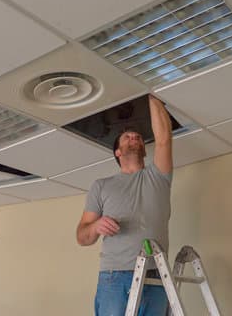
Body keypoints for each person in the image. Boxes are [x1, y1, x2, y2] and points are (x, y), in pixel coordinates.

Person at [76, 94, 173, 316]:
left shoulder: (159, 176)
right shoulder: (101, 186)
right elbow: (82, 237)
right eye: (127, 137)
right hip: (114, 276)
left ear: (145, 150)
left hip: (155, 274)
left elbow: (164, 139)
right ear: (117, 152)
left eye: (138, 137)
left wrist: (149, 92)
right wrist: (95, 226)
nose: (134, 137)